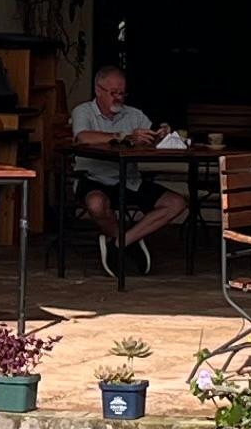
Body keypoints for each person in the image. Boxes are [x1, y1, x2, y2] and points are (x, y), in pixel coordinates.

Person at [68, 61, 186, 273]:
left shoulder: (134, 114)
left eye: (122, 93)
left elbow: (152, 140)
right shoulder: (83, 111)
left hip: (129, 180)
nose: (118, 98)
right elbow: (83, 137)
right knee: (96, 204)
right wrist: (123, 136)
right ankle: (128, 242)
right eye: (113, 93)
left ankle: (121, 243)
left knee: (176, 203)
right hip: (93, 177)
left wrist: (161, 135)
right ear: (98, 90)